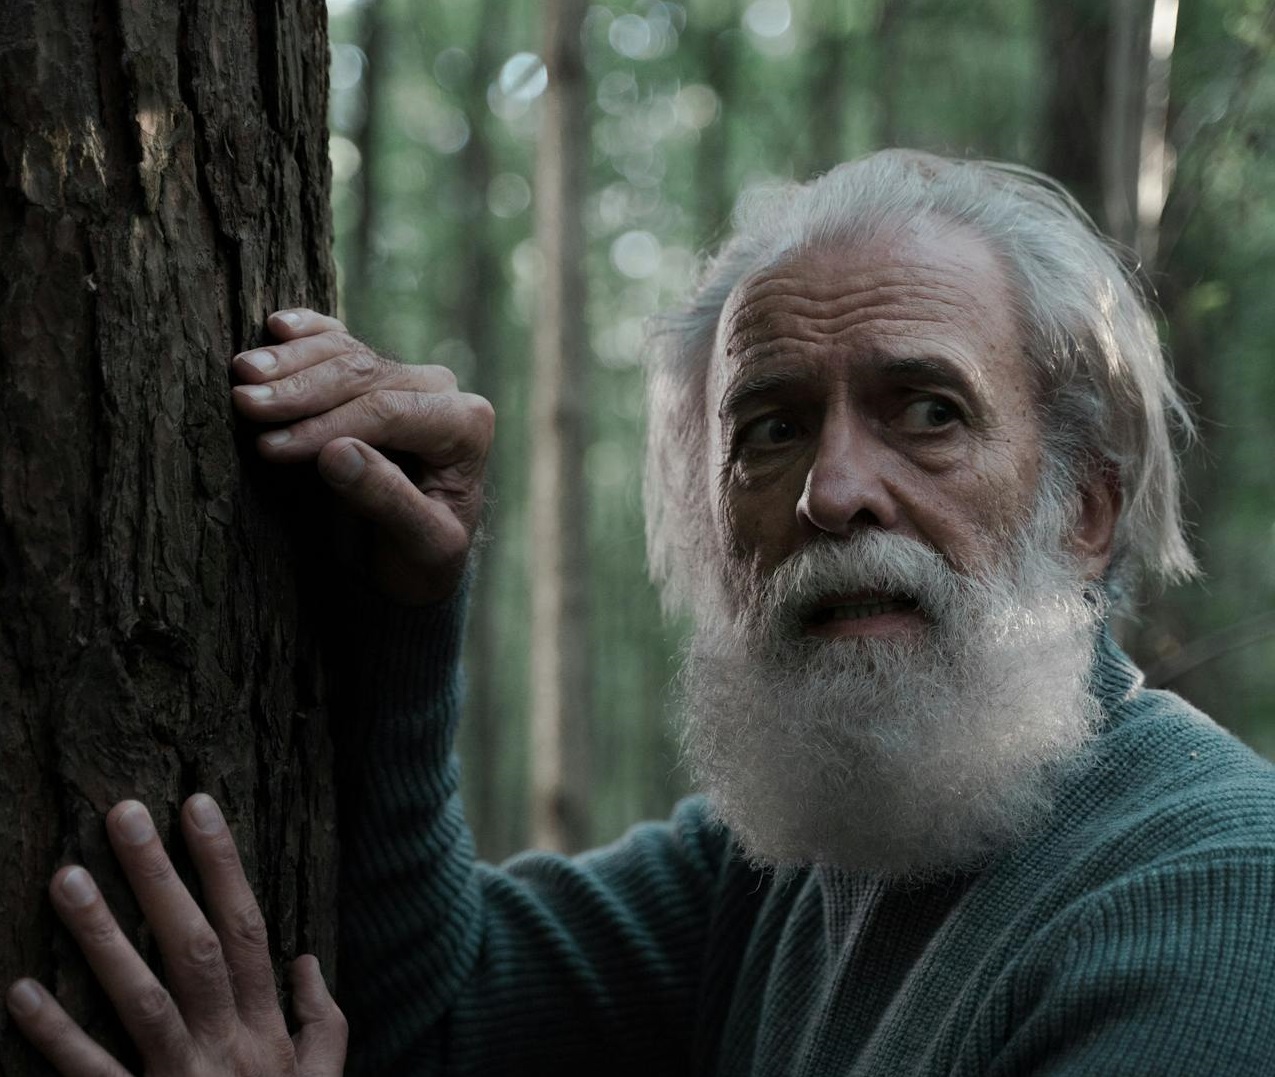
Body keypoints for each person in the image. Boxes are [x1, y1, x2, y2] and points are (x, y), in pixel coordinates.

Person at [9, 150, 1275, 1075]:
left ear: (1087, 510)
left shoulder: (1209, 893)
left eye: (928, 412)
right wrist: (408, 608)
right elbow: (431, 1023)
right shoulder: (785, 859)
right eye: (770, 429)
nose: (833, 493)